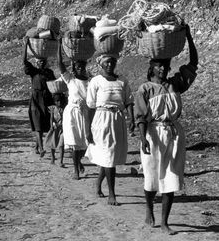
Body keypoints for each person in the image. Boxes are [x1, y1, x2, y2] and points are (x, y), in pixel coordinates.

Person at [134, 24, 198, 235]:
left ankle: (164, 222)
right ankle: (149, 208)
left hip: (174, 134)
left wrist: (188, 37)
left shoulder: (175, 85)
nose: (163, 69)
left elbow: (193, 63)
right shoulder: (145, 89)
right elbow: (142, 117)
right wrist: (143, 139)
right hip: (153, 134)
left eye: (166, 65)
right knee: (152, 178)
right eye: (159, 65)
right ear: (152, 67)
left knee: (171, 178)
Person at [85, 54, 135, 206]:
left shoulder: (122, 81)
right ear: (100, 64)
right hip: (101, 120)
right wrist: (88, 129)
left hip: (117, 120)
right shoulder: (96, 81)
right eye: (106, 62)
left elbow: (128, 101)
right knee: (108, 156)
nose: (109, 65)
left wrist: (131, 118)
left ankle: (98, 183)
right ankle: (112, 194)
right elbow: (90, 107)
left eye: (112, 61)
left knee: (110, 156)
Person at [57, 39, 89, 180]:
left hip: (85, 113)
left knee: (84, 145)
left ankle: (79, 161)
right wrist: (59, 45)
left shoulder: (90, 81)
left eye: (82, 67)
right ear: (74, 68)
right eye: (78, 67)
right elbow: (60, 65)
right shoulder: (70, 79)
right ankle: (76, 170)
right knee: (74, 142)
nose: (80, 69)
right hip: (71, 113)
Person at [23, 37, 56, 157]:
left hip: (46, 99)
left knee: (43, 124)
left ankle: (37, 146)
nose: (41, 63)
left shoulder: (49, 73)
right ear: (36, 62)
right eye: (39, 62)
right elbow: (25, 62)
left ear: (45, 62)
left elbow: (54, 85)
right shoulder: (33, 71)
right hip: (35, 99)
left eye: (43, 61)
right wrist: (25, 47)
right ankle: (41, 148)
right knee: (37, 124)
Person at [45, 93, 68, 166]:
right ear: (54, 102)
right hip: (55, 128)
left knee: (61, 144)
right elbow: (51, 118)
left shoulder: (64, 109)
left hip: (62, 129)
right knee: (53, 143)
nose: (59, 102)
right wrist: (51, 126)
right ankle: (52, 157)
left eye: (60, 101)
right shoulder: (53, 109)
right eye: (57, 101)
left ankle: (61, 161)